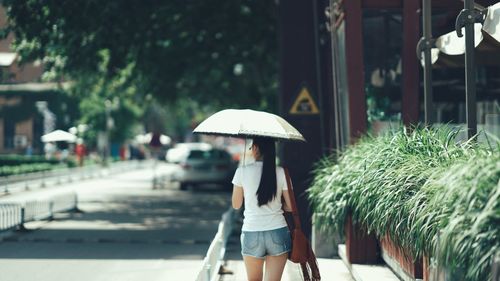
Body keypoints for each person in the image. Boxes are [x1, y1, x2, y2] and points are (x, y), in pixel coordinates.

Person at [231, 137, 293, 281]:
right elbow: (290, 206)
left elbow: (236, 204)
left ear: (257, 148)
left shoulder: (242, 171)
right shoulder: (281, 172)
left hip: (251, 232)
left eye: (252, 146)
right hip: (278, 231)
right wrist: (278, 204)